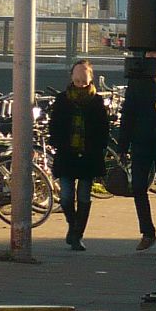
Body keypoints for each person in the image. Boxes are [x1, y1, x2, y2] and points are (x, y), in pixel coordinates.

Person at [48, 59, 110, 251]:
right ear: (72, 78)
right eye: (78, 80)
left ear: (90, 78)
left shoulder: (96, 101)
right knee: (66, 197)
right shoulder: (63, 99)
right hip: (67, 155)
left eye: (84, 80)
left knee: (84, 195)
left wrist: (99, 149)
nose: (81, 84)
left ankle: (77, 235)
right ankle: (73, 226)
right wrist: (57, 142)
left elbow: (103, 129)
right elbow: (55, 124)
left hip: (88, 156)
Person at [119, 55, 156, 250]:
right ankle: (147, 231)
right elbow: (128, 113)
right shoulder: (137, 81)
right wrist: (123, 146)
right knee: (138, 187)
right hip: (141, 142)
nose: (151, 58)